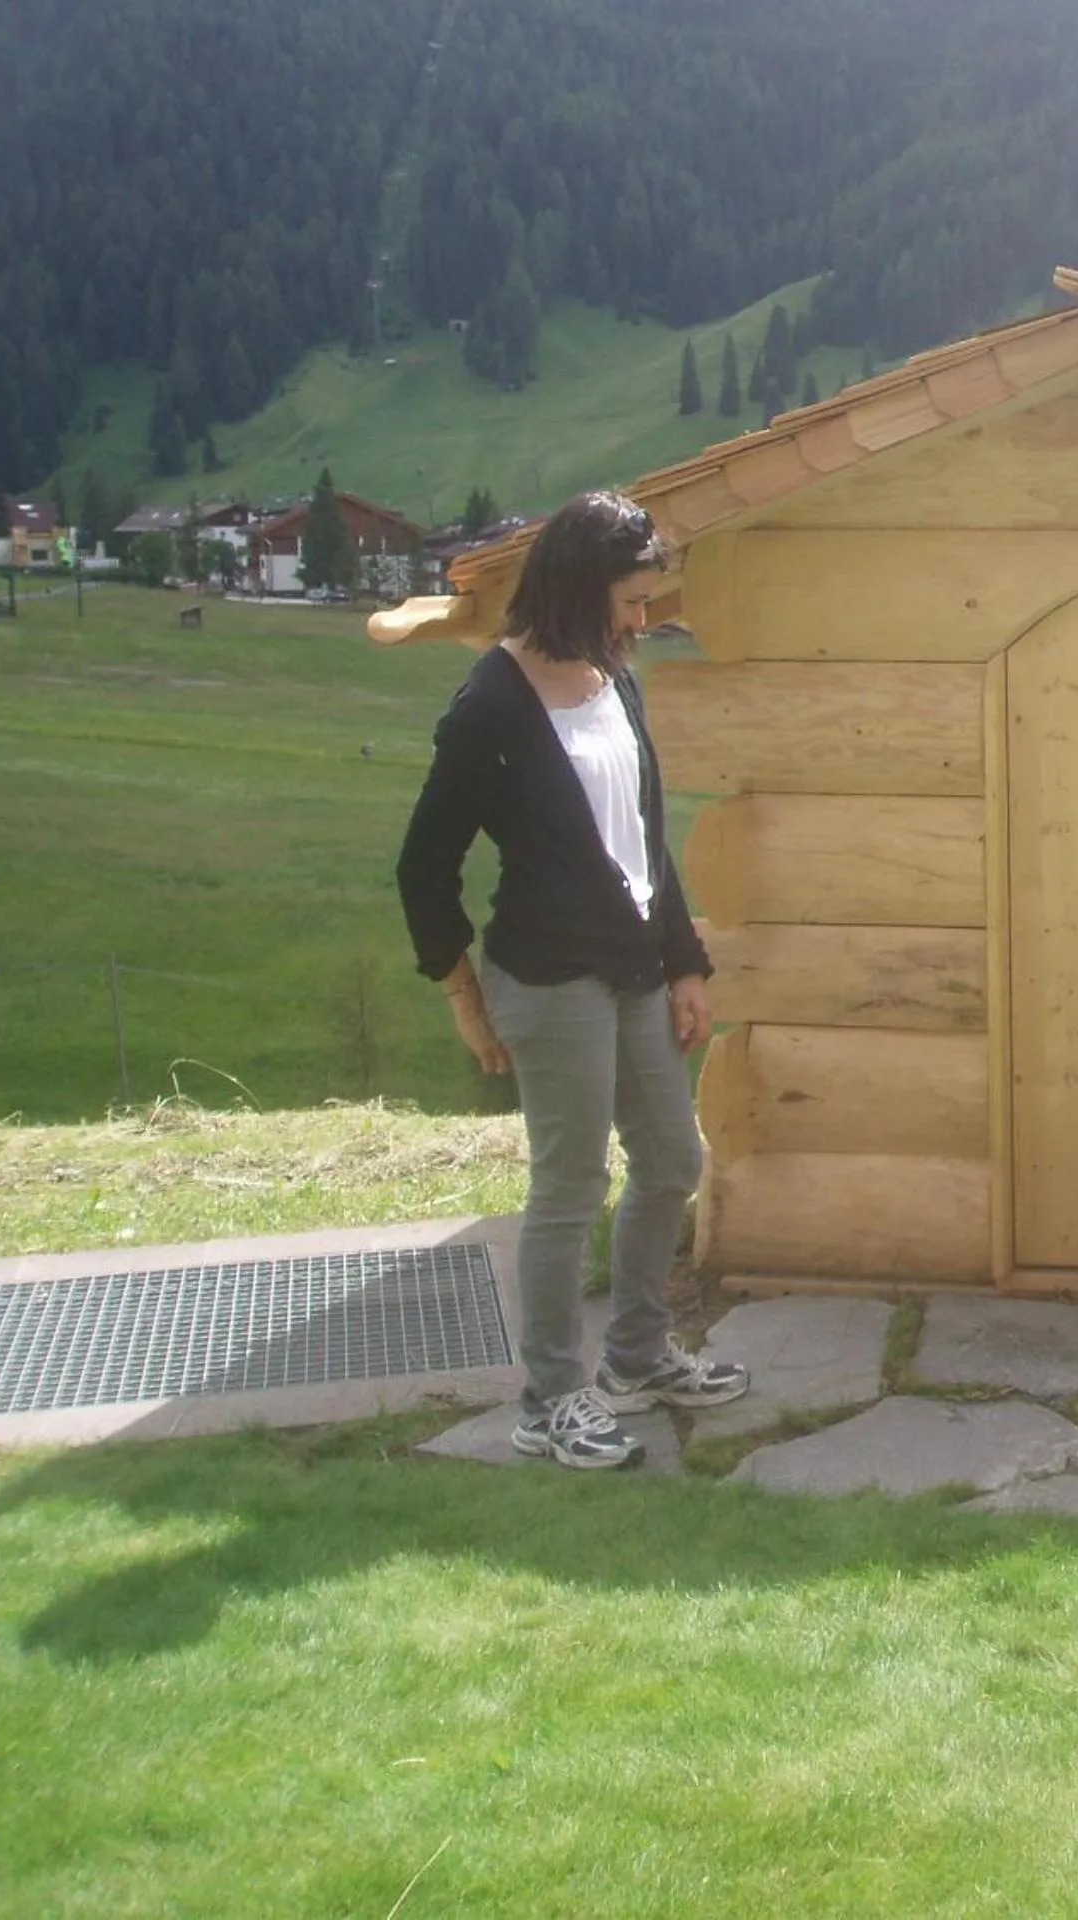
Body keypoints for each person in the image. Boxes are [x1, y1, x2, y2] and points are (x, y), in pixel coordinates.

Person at [396, 490, 749, 1469]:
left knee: (673, 1159)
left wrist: (684, 962)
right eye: (630, 602)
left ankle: (634, 1358)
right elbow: (423, 865)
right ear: (575, 588)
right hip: (546, 978)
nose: (643, 621)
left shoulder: (613, 678)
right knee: (570, 1184)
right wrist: (462, 995)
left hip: (637, 965)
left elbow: (643, 835)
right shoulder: (490, 706)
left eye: (648, 601)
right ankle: (550, 1398)